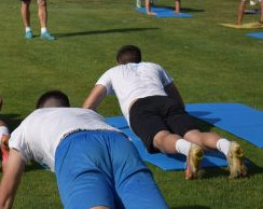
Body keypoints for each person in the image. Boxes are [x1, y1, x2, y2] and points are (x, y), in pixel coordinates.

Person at [82, 45, 247, 180]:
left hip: (139, 107)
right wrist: (179, 115)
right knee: (194, 133)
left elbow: (89, 106)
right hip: (166, 102)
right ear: (139, 59)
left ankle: (188, 149)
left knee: (161, 138)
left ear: (119, 62)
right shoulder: (154, 66)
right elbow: (177, 98)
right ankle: (227, 146)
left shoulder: (112, 72)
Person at [0, 90, 168, 209]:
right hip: (120, 142)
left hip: (76, 147)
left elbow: (6, 195)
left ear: (40, 110)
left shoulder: (30, 121)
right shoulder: (88, 114)